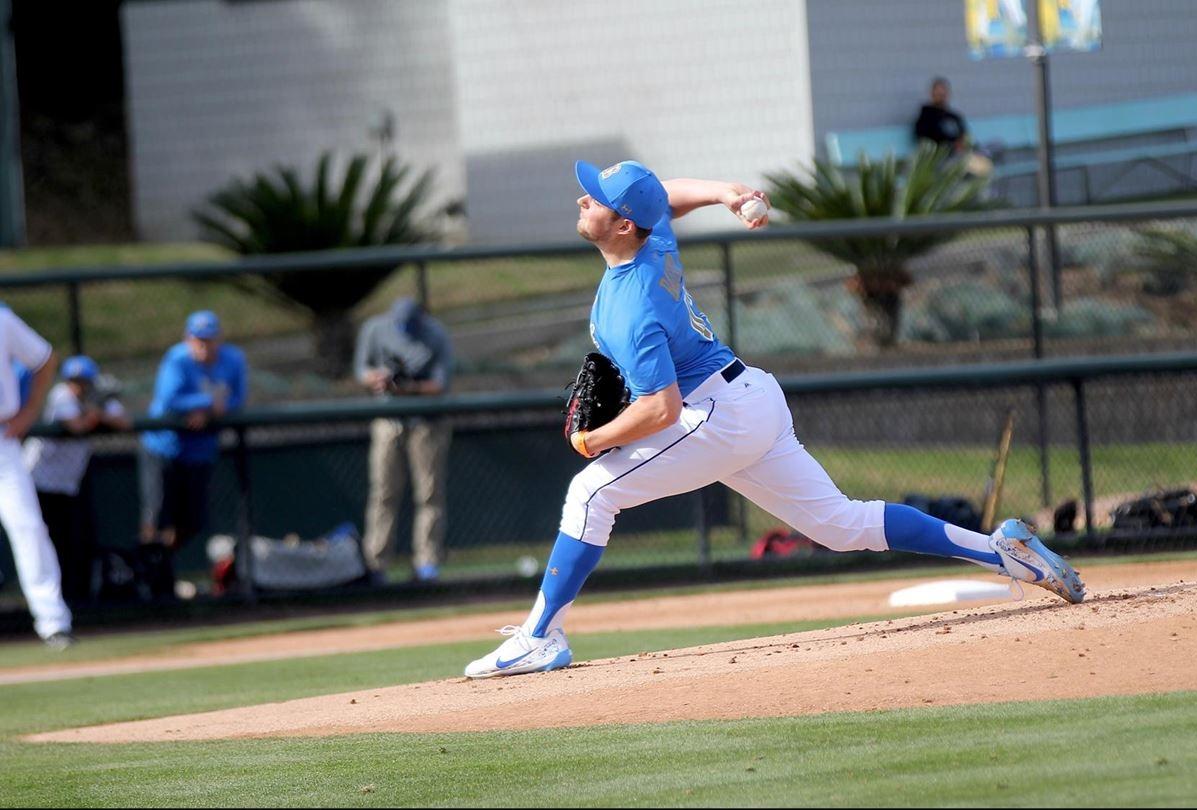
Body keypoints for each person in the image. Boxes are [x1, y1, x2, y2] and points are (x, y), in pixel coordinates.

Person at [462, 160, 1085, 679]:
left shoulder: (632, 305)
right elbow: (665, 197)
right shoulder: (650, 240)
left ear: (622, 224)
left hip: (714, 413)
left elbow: (661, 409)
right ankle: (1004, 552)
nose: (582, 197)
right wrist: (724, 192)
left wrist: (594, 439)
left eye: (594, 197)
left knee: (590, 493)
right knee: (843, 525)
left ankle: (541, 636)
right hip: (750, 396)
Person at [138, 311, 247, 588]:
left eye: (209, 339)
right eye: (198, 339)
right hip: (164, 447)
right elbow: (169, 398)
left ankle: (158, 564)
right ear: (188, 339)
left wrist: (207, 411)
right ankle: (150, 577)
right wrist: (207, 402)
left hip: (200, 451)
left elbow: (237, 398)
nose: (204, 345)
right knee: (157, 515)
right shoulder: (177, 359)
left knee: (193, 520)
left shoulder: (233, 359)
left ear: (218, 339)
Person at [353, 297, 453, 582]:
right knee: (383, 493)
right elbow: (362, 371)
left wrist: (410, 387)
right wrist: (377, 379)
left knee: (429, 494)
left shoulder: (435, 334)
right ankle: (376, 563)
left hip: (426, 424)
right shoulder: (375, 329)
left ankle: (427, 563)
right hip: (388, 420)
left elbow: (440, 385)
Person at [23, 356, 130, 606]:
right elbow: (77, 426)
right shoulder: (61, 395)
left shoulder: (96, 399)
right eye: (74, 381)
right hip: (39, 481)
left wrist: (98, 411)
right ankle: (48, 601)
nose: (78, 387)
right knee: (45, 544)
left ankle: (74, 598)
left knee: (74, 543)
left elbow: (124, 422)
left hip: (68, 485)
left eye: (83, 382)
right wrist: (96, 415)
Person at [0, 304, 74, 648]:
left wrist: (29, 412)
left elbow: (44, 358)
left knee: (28, 527)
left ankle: (53, 622)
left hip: (3, 441)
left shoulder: (1, 318)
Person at [914, 76, 970, 156]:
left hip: (961, 154)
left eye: (943, 93)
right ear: (932, 94)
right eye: (938, 93)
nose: (941, 96)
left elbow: (964, 135)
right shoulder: (925, 118)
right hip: (942, 158)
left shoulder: (955, 116)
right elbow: (924, 142)